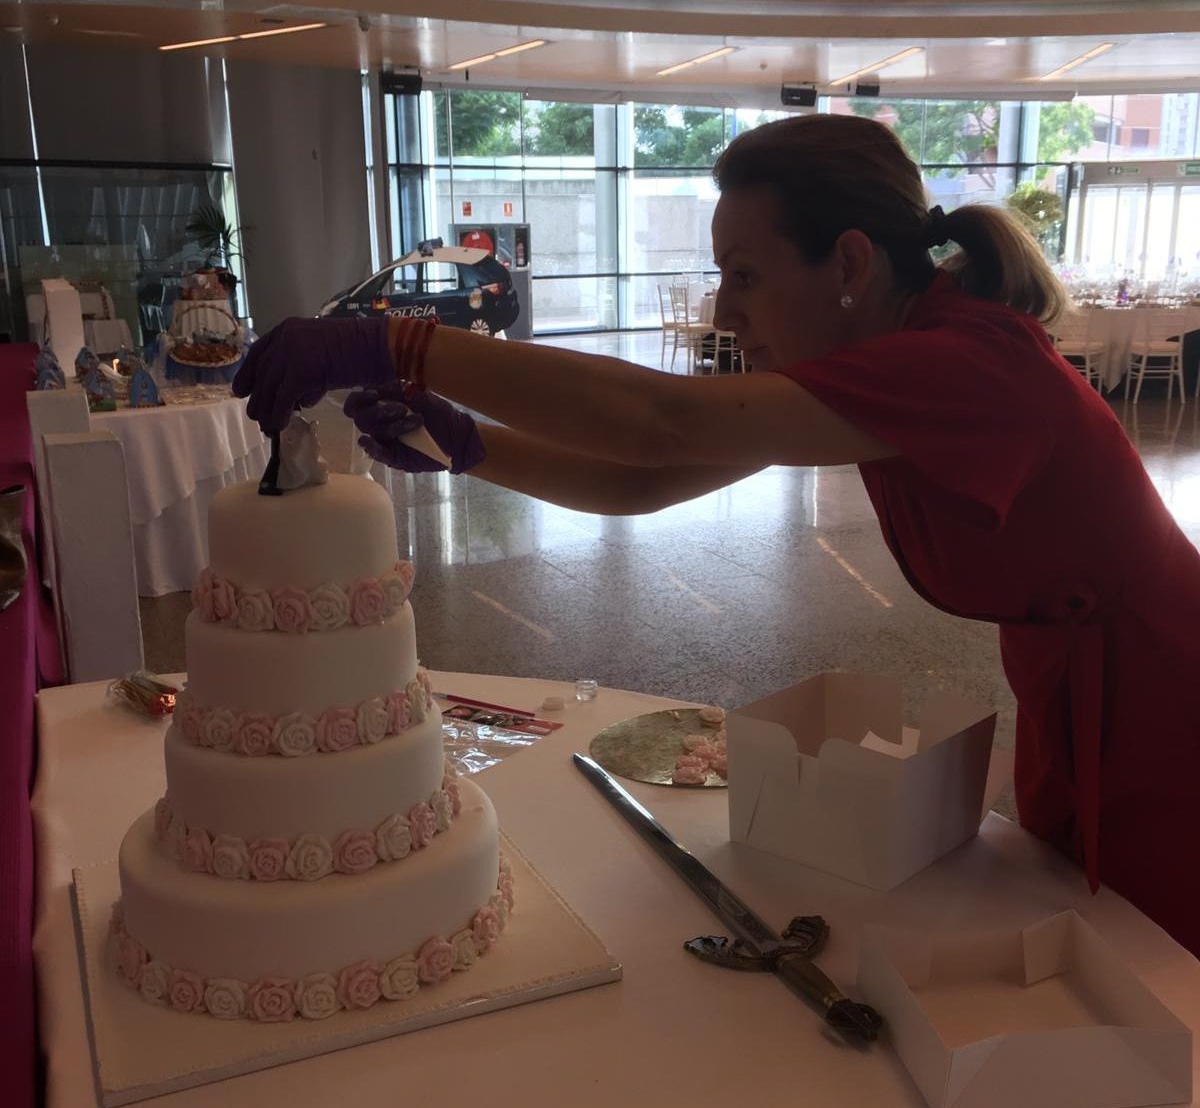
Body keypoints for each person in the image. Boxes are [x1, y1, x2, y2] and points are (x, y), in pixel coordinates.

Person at [234, 113, 1200, 955]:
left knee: (1164, 977)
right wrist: (468, 446)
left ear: (850, 264)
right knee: (1118, 966)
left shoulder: (967, 366)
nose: (724, 310)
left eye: (745, 274)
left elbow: (665, 423)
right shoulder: (891, 362)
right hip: (1085, 698)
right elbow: (647, 480)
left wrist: (394, 341)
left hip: (1167, 709)